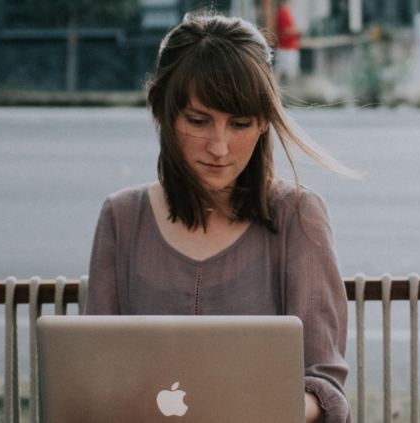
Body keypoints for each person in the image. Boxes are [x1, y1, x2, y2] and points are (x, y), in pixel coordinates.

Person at [84, 12, 357, 423]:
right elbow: (93, 374)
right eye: (198, 121)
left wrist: (265, 408)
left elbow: (323, 386)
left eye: (240, 123)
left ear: (265, 121)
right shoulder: (121, 218)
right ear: (160, 109)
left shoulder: (298, 215)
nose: (219, 147)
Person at [275, 0, 302, 83]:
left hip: (289, 46)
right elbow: (284, 31)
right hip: (286, 47)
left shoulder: (286, 13)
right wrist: (297, 30)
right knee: (285, 70)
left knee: (281, 69)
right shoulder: (282, 13)